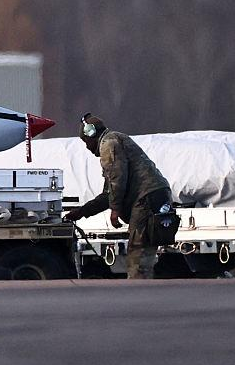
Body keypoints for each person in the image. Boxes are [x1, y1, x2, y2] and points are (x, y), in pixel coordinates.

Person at [63, 113, 173, 279]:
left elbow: (117, 179)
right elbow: (108, 195)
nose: (87, 147)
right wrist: (81, 212)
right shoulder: (117, 139)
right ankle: (144, 287)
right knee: (143, 253)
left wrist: (115, 210)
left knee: (138, 254)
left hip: (146, 199)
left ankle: (138, 289)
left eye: (86, 142)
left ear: (92, 134)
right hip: (155, 196)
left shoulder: (109, 144)